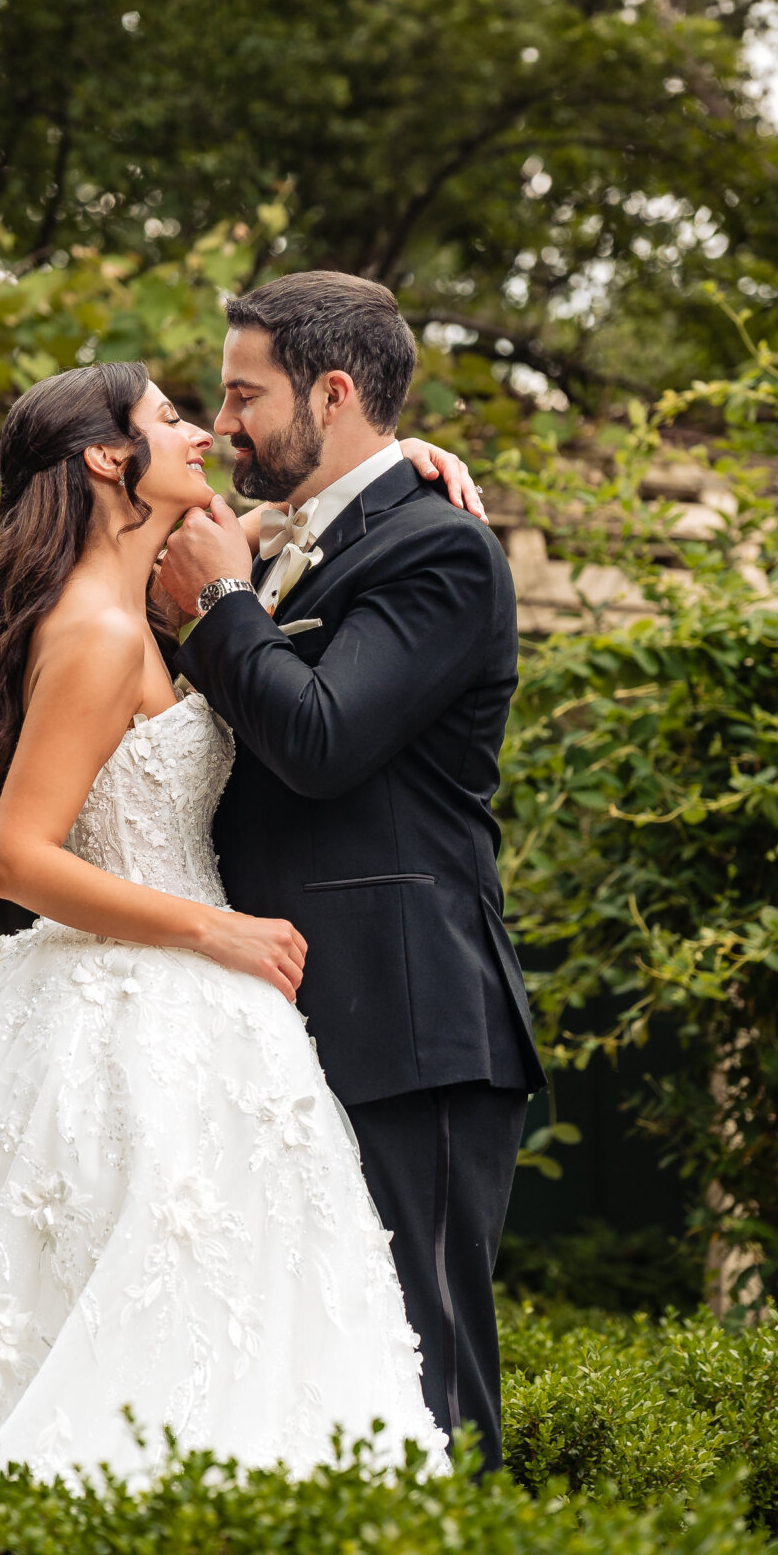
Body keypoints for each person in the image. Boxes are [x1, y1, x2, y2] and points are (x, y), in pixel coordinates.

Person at [0, 360, 478, 1485]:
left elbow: (280, 514)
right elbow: (16, 859)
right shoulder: (96, 631)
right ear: (105, 459)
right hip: (148, 1000)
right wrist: (213, 932)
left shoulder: (125, 602)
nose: (204, 435)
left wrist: (402, 462)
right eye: (173, 419)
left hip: (192, 1012)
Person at [159, 272, 543, 1473]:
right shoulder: (297, 539)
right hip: (274, 1017)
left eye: (242, 395)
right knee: (306, 1366)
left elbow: (321, 740)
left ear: (332, 390)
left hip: (408, 1022)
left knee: (426, 1369)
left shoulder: (441, 552)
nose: (223, 427)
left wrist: (222, 603)